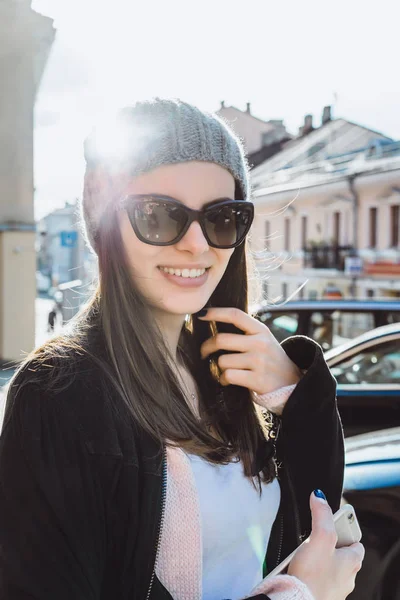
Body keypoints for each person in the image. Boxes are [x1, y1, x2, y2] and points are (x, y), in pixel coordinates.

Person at [0, 99, 364, 600]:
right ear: (106, 223)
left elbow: (311, 522)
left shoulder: (221, 371)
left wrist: (296, 397)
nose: (197, 245)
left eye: (222, 217)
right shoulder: (59, 392)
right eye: (159, 214)